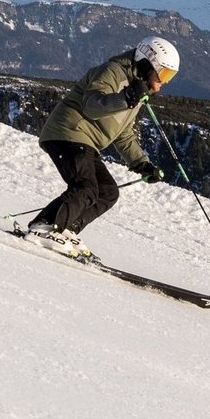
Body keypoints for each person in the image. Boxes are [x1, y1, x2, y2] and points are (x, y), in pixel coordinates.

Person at [24, 36, 181, 258]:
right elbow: (91, 107)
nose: (164, 82)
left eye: (170, 77)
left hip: (85, 141)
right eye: (164, 74)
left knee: (107, 191)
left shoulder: (138, 89)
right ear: (147, 63)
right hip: (68, 132)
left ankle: (66, 228)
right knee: (86, 187)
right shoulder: (112, 72)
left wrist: (141, 163)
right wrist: (127, 97)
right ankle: (44, 227)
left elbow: (122, 133)